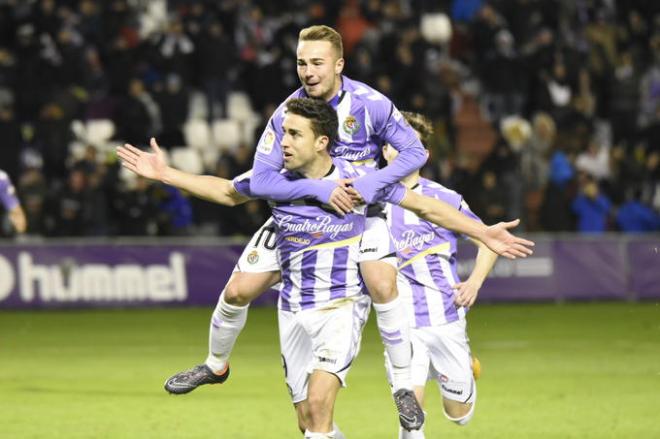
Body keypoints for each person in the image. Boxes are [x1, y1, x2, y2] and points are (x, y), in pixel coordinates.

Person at [117, 98, 534, 438]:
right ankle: (214, 365)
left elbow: (426, 206)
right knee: (308, 420)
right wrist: (164, 173)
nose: (282, 141)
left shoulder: (360, 184)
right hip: (293, 306)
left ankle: (404, 383)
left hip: (340, 308)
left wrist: (483, 232)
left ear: (321, 142)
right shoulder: (273, 179)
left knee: (322, 399)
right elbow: (227, 192)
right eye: (283, 132)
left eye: (294, 134)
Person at [381, 112, 498, 438]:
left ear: (425, 155)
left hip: (446, 318)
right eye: (395, 144)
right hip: (401, 324)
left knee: (457, 415)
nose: (401, 151)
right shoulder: (369, 203)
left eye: (411, 145)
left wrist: (474, 282)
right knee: (411, 415)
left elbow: (488, 242)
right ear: (385, 151)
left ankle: (466, 374)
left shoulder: (446, 200)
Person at [0, 169, 27, 235]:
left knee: (15, 210)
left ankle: (19, 233)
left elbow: (10, 194)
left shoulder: (2, 177)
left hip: (3, 182)